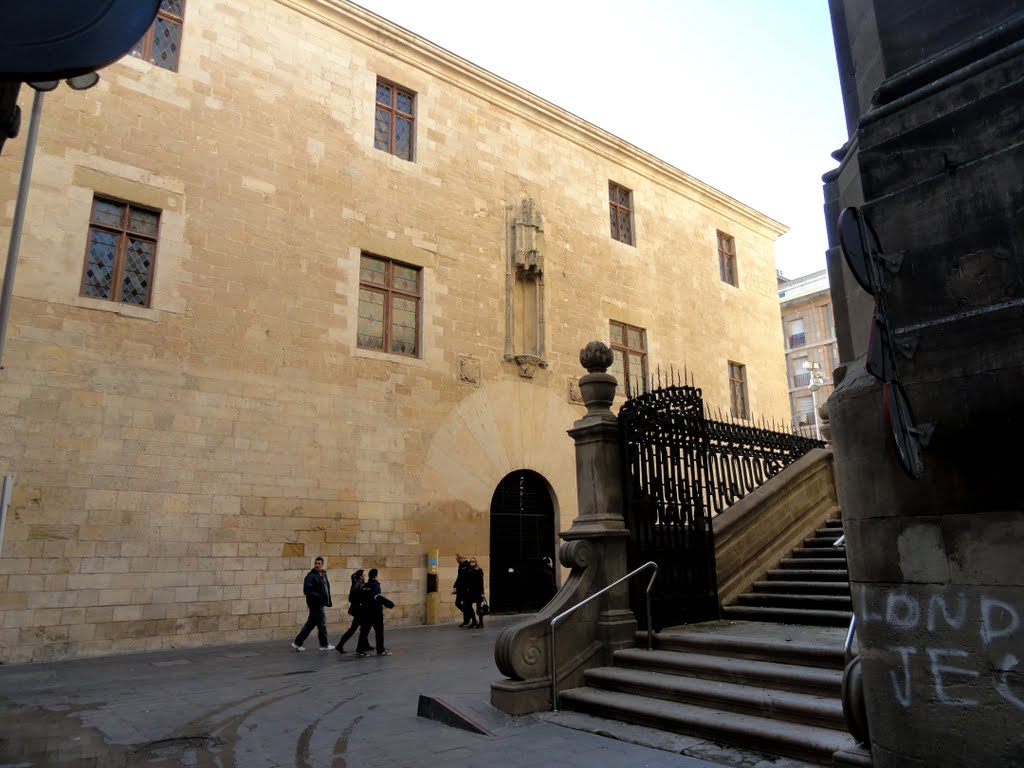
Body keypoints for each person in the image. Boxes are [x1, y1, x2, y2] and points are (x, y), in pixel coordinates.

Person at [292, 556, 334, 651]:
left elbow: (325, 588)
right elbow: (307, 590)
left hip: (320, 603)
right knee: (315, 624)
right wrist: (319, 596)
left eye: (319, 563)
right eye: (316, 563)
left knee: (318, 624)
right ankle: (298, 642)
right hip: (315, 604)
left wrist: (326, 599)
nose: (317, 565)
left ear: (322, 564)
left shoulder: (323, 574)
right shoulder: (310, 576)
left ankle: (323, 645)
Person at [355, 568, 393, 656]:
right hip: (375, 613)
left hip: (366, 613)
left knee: (364, 632)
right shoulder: (376, 585)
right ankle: (380, 650)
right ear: (375, 576)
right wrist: (389, 604)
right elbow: (377, 598)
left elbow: (361, 598)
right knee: (379, 632)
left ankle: (359, 650)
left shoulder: (365, 585)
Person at [335, 569, 366, 654]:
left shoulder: (355, 584)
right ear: (360, 576)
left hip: (357, 610)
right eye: (364, 575)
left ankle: (366, 644)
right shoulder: (361, 585)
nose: (365, 577)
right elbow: (362, 598)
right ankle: (340, 645)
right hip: (359, 610)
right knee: (355, 628)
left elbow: (350, 598)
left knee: (364, 627)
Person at [453, 553, 474, 627]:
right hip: (460, 588)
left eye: (457, 560)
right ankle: (468, 615)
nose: (457, 561)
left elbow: (470, 578)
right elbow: (459, 577)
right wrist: (455, 586)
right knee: (457, 603)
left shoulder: (468, 565)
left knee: (466, 604)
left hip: (466, 589)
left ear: (461, 558)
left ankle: (466, 621)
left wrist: (469, 588)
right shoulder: (460, 565)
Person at [466, 557, 486, 629]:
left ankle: (481, 623)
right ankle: (474, 621)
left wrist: (482, 592)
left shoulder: (479, 570)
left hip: (477, 592)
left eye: (473, 561)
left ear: (476, 562)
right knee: (468, 606)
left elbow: (481, 582)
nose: (472, 563)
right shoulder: (468, 570)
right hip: (470, 592)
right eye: (471, 561)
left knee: (479, 608)